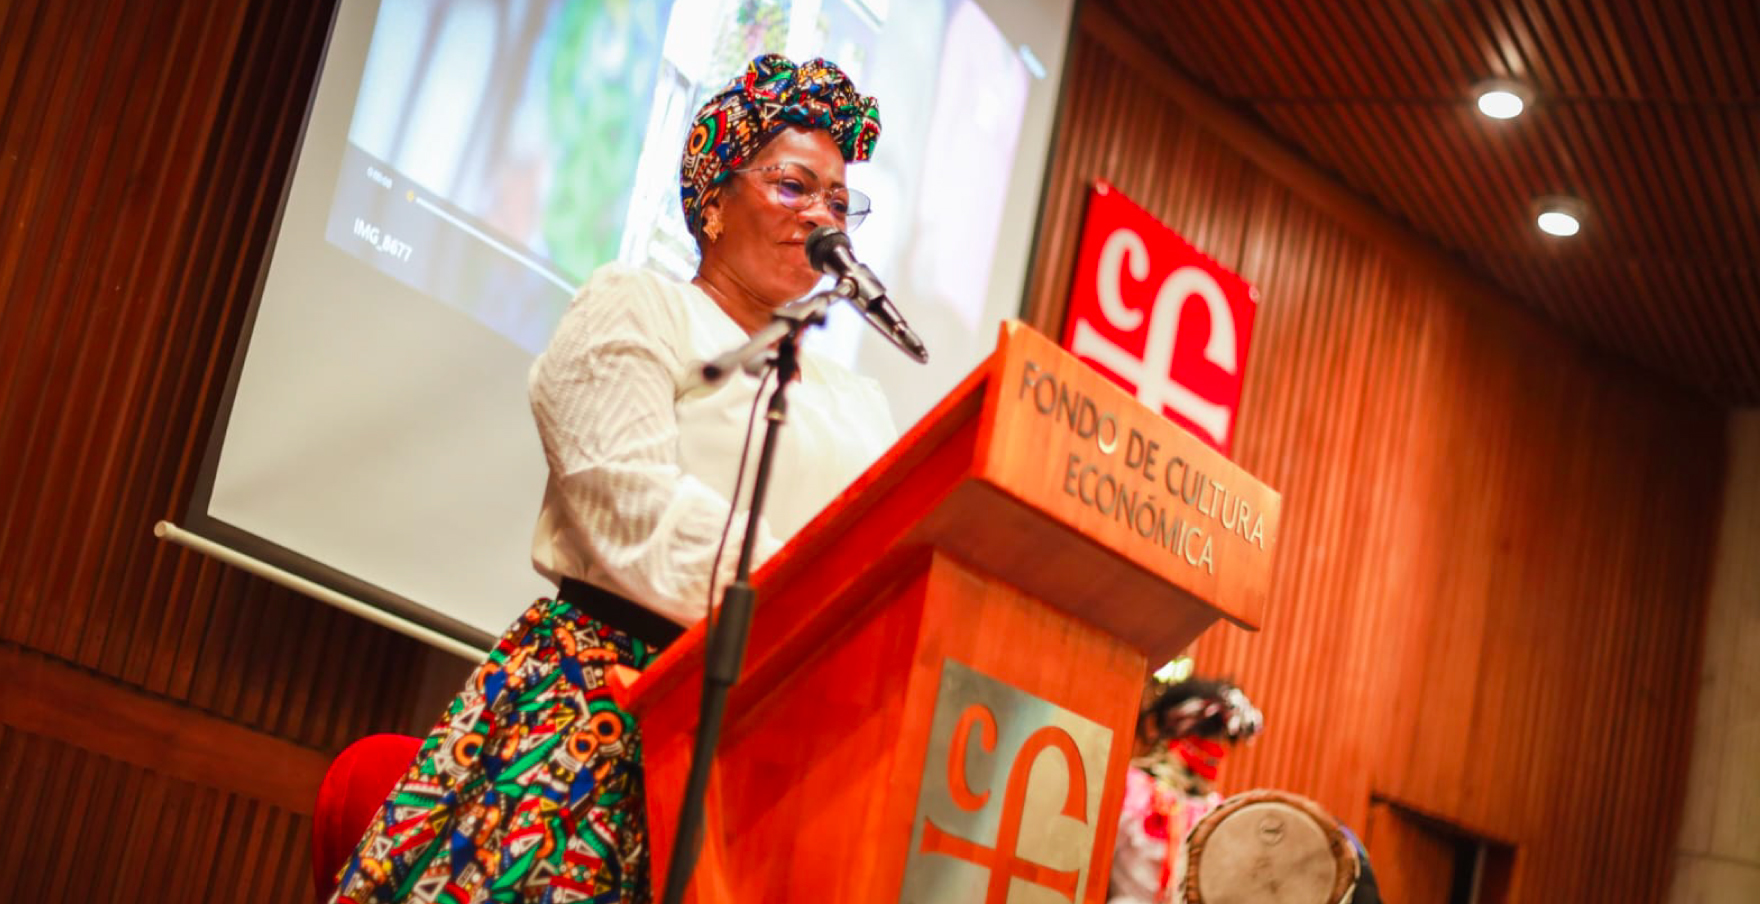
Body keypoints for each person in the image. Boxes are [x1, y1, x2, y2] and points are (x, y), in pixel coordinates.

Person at [328, 55, 896, 904]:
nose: (823, 215)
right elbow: (628, 505)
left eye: (838, 201)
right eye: (792, 186)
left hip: (769, 742)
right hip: (596, 720)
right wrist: (811, 602)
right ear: (711, 199)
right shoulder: (633, 306)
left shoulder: (859, 399)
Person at [1108, 676, 1263, 904]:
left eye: (1221, 740)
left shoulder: (1216, 811)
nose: (1215, 752)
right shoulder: (1134, 790)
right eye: (1205, 738)